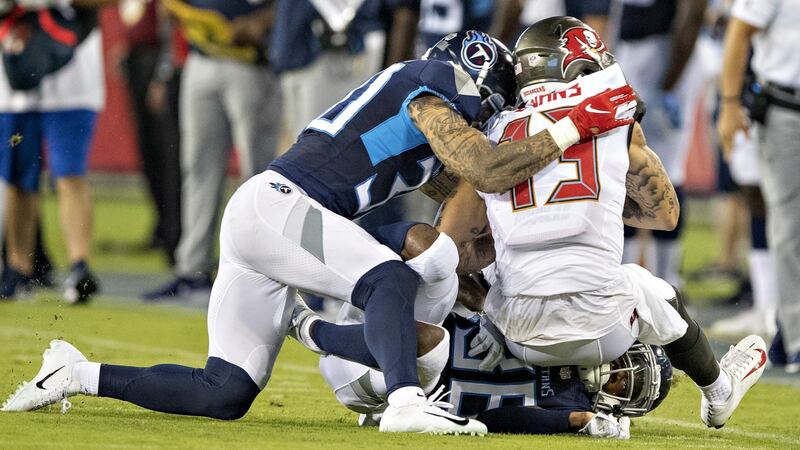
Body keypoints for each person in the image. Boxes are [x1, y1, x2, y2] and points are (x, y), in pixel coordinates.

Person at [0, 30, 637, 435]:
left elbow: (477, 202)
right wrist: (573, 126)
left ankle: (78, 373)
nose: (496, 117)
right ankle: (400, 398)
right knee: (388, 279)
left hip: (270, 221)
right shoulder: (427, 89)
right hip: (280, 205)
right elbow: (484, 166)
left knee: (224, 393)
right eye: (496, 105)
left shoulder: (422, 130)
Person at [437, 17, 767, 429]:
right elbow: (665, 217)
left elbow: (451, 244)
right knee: (647, 285)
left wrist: (490, 303)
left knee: (502, 265)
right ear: (573, 64)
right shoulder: (616, 119)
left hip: (515, 332)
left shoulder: (493, 132)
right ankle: (719, 390)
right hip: (601, 327)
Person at [143, 0, 282, 300]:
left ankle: (258, 269)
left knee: (259, 176)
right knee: (197, 167)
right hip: (201, 58)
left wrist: (263, 19)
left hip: (251, 62)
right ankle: (191, 269)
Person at [0, 0, 119, 303]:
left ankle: (79, 266)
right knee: (18, 178)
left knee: (69, 173)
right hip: (16, 78)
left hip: (72, 79)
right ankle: (18, 268)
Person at [717, 0, 800, 374]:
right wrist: (730, 104)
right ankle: (798, 339)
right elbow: (740, 28)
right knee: (790, 222)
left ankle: (785, 332)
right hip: (785, 109)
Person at [611, 0, 708, 289]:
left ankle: (667, 285)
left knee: (667, 167)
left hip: (663, 56)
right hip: (629, 53)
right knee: (619, 166)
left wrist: (669, 83)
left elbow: (693, 13)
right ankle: (623, 280)